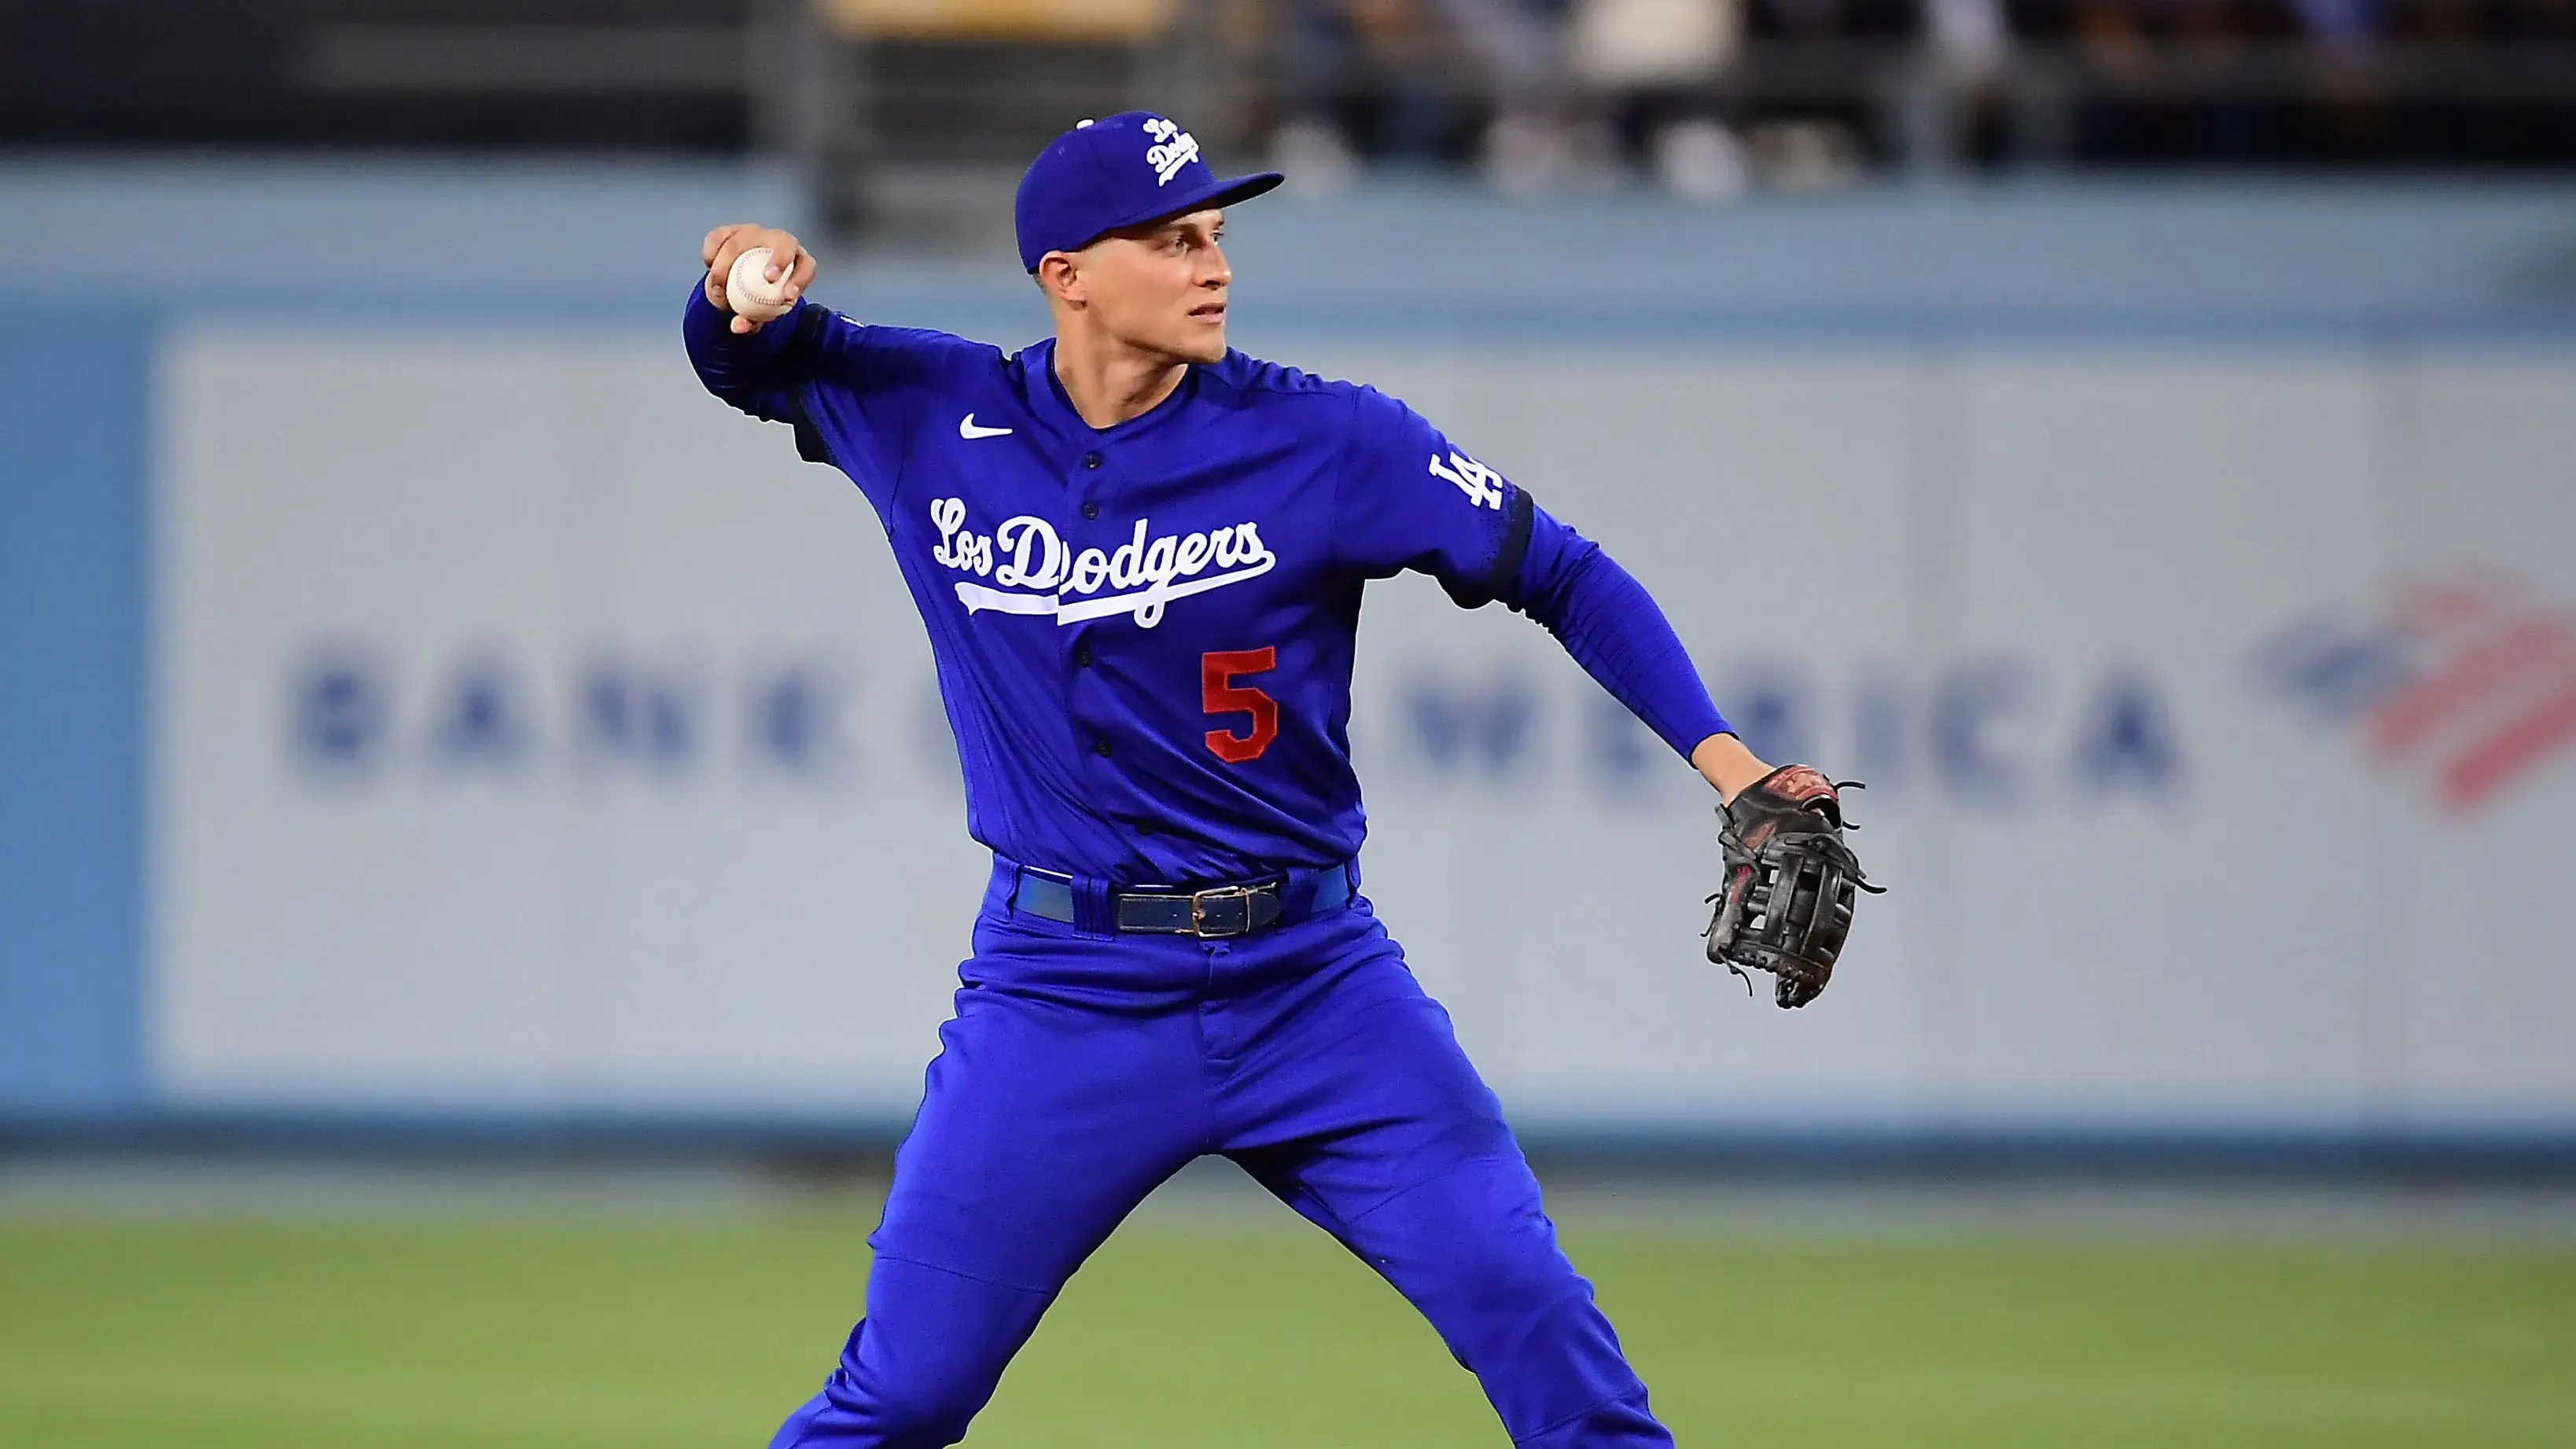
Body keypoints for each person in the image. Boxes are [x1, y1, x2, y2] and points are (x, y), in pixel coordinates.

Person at [686, 110, 1816, 1448]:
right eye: (1172, 240)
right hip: (1066, 993)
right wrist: (735, 281)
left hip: (1315, 986)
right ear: (1067, 275)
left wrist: (1729, 764)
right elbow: (749, 359)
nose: (1213, 264)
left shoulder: (1328, 441)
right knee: (904, 1394)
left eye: (1218, 234)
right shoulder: (934, 411)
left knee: (1543, 1331)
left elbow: (1559, 569)